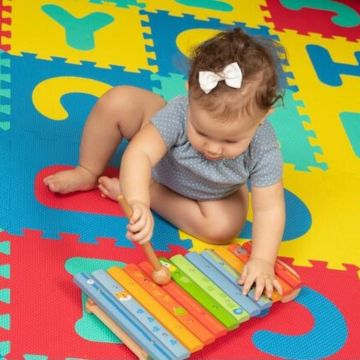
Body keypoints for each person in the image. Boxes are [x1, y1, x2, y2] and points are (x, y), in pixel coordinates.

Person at [44, 28, 285, 300]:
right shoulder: (179, 113)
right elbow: (140, 154)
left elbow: (269, 208)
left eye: (231, 141)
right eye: (202, 132)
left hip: (215, 193)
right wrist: (137, 203)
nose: (213, 149)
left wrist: (263, 260)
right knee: (117, 100)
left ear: (264, 116)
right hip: (162, 163)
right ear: (190, 95)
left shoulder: (264, 145)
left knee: (223, 228)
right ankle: (87, 171)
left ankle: (148, 190)